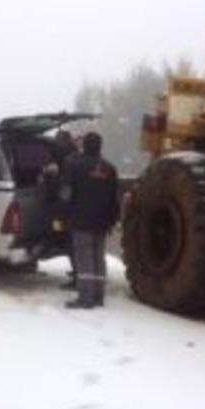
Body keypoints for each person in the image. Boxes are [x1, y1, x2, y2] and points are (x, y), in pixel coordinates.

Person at [60, 132, 120, 309]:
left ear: (84, 145)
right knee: (98, 258)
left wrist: (61, 213)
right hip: (101, 222)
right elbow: (114, 199)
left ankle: (85, 298)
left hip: (81, 220)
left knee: (84, 258)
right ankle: (98, 297)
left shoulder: (75, 165)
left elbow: (66, 193)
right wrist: (112, 220)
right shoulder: (110, 169)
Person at [41, 130, 79, 289]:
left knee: (71, 243)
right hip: (72, 207)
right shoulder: (75, 156)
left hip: (66, 208)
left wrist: (49, 175)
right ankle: (79, 272)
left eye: (58, 141)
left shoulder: (64, 160)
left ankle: (78, 276)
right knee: (73, 242)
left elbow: (65, 187)